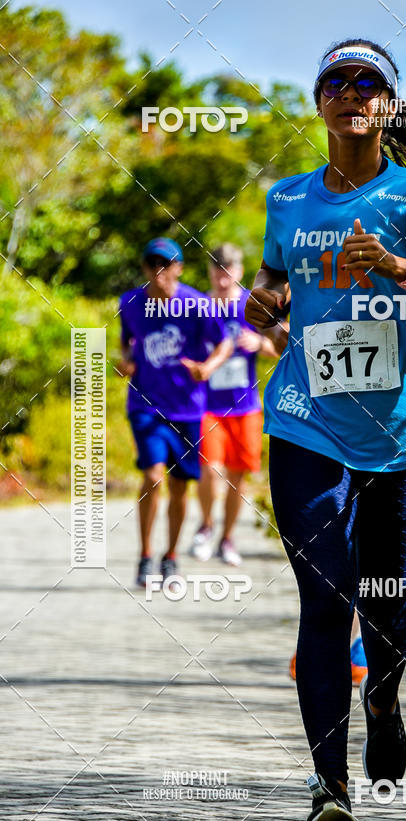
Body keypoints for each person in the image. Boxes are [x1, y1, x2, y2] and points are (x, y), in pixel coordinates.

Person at [245, 39, 406, 821]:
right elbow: (278, 287)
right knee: (325, 600)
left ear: (389, 105)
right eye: (336, 81)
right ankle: (330, 788)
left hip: (399, 435)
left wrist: (400, 269)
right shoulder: (287, 201)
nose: (352, 92)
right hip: (303, 420)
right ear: (318, 102)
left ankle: (383, 702)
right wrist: (266, 304)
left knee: (385, 605)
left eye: (369, 83)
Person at [287, 311, 406, 684]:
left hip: (393, 430)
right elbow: (281, 328)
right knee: (334, 548)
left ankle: (361, 643)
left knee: (377, 555)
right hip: (322, 429)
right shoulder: (310, 259)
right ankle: (334, 639)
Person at [117, 237, 232, 587]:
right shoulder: (131, 302)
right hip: (145, 404)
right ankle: (145, 555)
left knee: (180, 487)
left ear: (179, 268)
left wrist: (208, 368)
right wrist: (124, 362)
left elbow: (225, 341)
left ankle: (170, 555)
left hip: (187, 409)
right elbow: (126, 340)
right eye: (152, 264)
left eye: (166, 264)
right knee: (153, 476)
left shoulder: (196, 304)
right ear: (145, 268)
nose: (159, 272)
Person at [189, 244, 279, 566]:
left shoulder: (251, 304)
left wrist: (260, 343)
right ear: (210, 273)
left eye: (228, 272)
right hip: (208, 406)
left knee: (237, 476)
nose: (223, 279)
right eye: (217, 272)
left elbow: (282, 344)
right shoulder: (198, 307)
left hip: (245, 406)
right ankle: (205, 525)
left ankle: (227, 538)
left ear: (240, 272)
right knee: (210, 469)